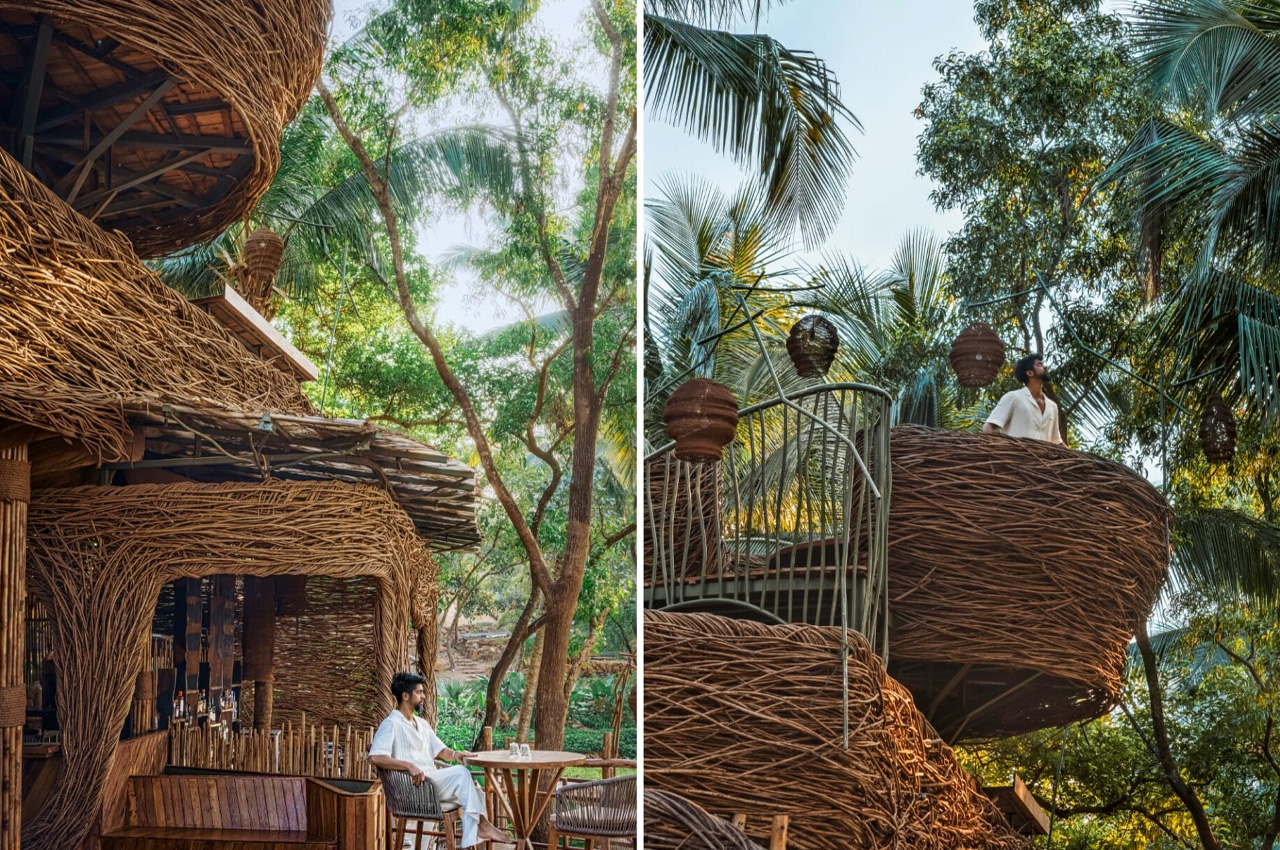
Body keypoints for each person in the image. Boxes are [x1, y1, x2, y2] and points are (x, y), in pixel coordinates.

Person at [369, 672, 509, 847]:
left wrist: (457, 755)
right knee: (461, 773)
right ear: (405, 696)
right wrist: (408, 765)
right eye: (419, 692)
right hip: (411, 788)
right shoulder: (391, 724)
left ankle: (480, 826)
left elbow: (441, 750)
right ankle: (481, 826)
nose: (424, 696)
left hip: (428, 785)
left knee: (475, 790)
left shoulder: (422, 724)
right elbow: (376, 756)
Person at [982, 352, 1065, 446]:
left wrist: (1078, 458)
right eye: (1039, 364)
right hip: (1015, 459)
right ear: (1030, 373)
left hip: (1044, 460)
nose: (1045, 367)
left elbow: (1057, 441)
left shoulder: (1052, 406)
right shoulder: (1013, 397)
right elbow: (989, 426)